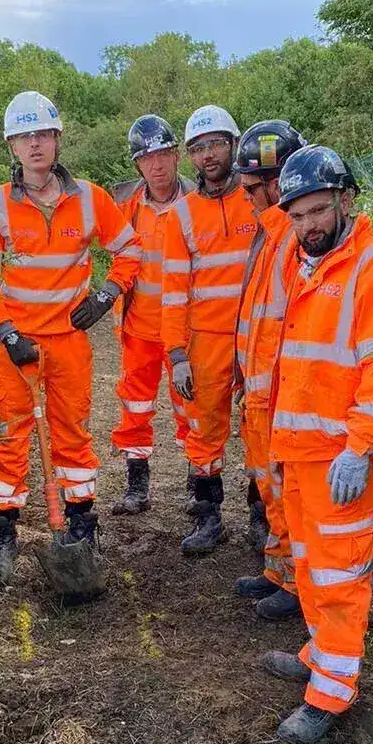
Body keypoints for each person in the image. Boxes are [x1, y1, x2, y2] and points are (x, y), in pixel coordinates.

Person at [262, 145, 373, 744]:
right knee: (310, 567)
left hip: (342, 458)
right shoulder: (313, 267)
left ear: (348, 201)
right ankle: (320, 652)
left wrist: (359, 447)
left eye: (318, 213)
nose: (307, 227)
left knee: (338, 575)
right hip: (303, 451)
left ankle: (331, 692)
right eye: (296, 217)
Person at [0, 90, 142, 588]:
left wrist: (108, 294)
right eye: (25, 137)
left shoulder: (90, 198)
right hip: (15, 345)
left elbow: (130, 249)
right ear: (12, 147)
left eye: (43, 133)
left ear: (58, 139)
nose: (36, 144)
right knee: (8, 440)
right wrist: (4, 330)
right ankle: (3, 537)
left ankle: (82, 531)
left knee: (73, 438)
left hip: (68, 342)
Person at [161, 105, 258, 554]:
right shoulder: (181, 215)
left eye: (216, 143)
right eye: (198, 149)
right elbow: (174, 291)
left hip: (260, 335)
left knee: (262, 425)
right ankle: (209, 517)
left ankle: (264, 517)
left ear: (234, 145)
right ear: (190, 157)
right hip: (206, 341)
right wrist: (177, 355)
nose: (208, 156)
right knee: (204, 429)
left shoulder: (259, 199)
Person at [232, 119, 306, 622]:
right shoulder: (271, 235)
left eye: (253, 188)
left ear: (278, 183)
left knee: (288, 493)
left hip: (280, 395)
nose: (247, 198)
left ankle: (299, 584)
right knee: (269, 487)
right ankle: (279, 572)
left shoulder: (293, 240)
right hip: (260, 394)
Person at [109, 115, 196, 514]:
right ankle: (137, 484)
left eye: (163, 154)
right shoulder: (125, 205)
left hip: (188, 331)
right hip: (140, 328)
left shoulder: (198, 202)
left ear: (177, 156)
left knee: (191, 407)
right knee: (135, 405)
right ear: (138, 166)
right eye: (147, 158)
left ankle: (200, 485)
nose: (157, 165)